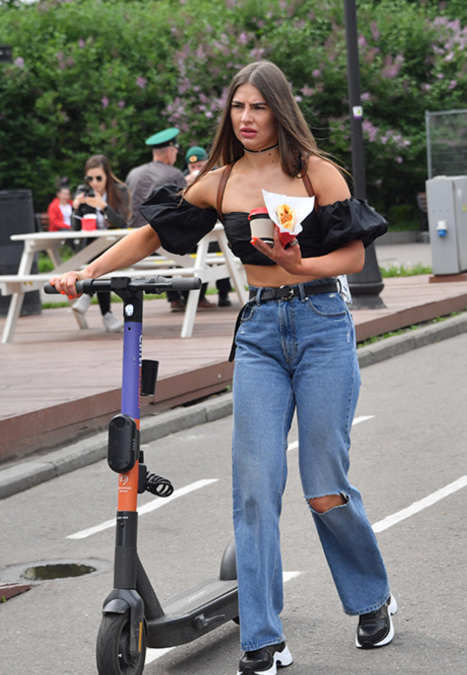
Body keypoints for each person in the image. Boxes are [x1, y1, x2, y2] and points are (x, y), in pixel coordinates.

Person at [51, 60, 394, 674]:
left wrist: (299, 266)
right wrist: (88, 272)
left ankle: (372, 597)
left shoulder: (317, 174)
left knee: (322, 486)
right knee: (255, 490)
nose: (247, 119)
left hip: (321, 327)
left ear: (280, 111)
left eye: (258, 108)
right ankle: (262, 637)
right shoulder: (220, 180)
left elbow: (352, 253)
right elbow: (152, 234)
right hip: (260, 332)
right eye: (238, 108)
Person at [124, 128, 210, 311]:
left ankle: (173, 299)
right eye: (175, 152)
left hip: (134, 243)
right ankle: (195, 298)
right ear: (170, 152)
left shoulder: (133, 173)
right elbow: (186, 212)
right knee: (197, 240)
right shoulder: (174, 175)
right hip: (161, 243)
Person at [70, 155, 130, 333]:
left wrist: (104, 206)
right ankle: (107, 316)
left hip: (115, 245)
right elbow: (75, 230)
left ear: (107, 176)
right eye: (90, 178)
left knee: (101, 258)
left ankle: (88, 295)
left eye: (98, 178)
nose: (94, 183)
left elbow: (122, 223)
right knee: (98, 258)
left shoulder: (119, 191)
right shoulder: (83, 193)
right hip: (90, 247)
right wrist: (75, 209)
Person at [185, 144, 234, 307]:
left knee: (219, 251)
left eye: (200, 166)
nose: (196, 169)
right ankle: (196, 297)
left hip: (218, 228)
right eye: (193, 167)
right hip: (197, 230)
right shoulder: (184, 179)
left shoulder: (218, 176)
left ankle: (223, 294)